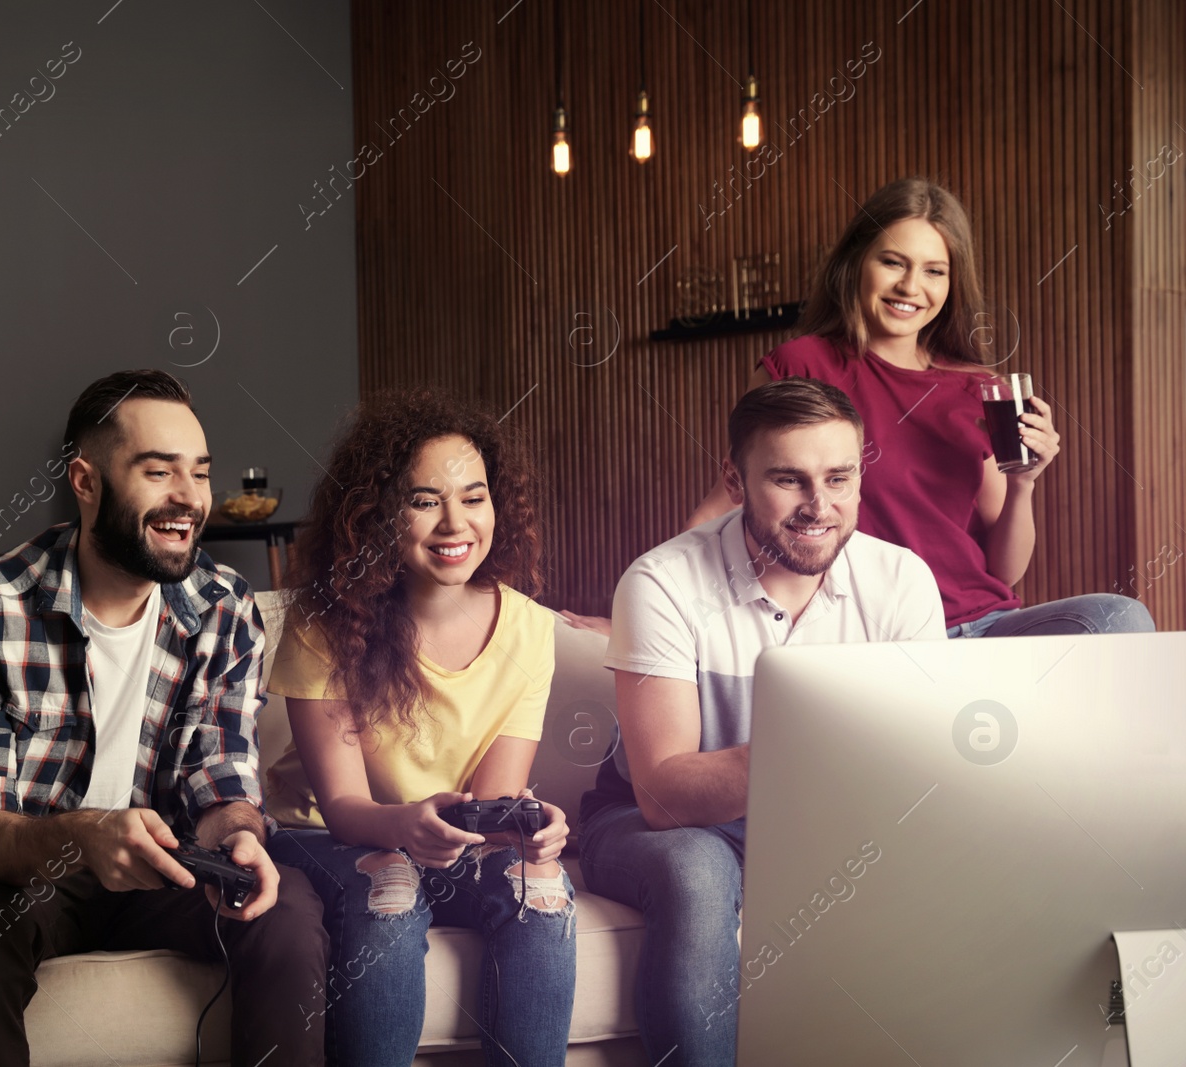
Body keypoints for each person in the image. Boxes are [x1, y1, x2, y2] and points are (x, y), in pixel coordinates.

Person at [0, 370, 326, 1067]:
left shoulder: (224, 607)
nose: (189, 497)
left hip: (166, 868)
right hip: (28, 872)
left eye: (199, 473)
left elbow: (218, 777)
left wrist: (242, 835)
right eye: (158, 471)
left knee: (285, 905)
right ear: (86, 480)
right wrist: (84, 835)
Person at [577, 377, 946, 1066]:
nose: (820, 506)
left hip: (822, 822)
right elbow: (661, 794)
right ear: (735, 478)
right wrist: (821, 745)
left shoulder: (901, 582)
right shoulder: (661, 583)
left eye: (839, 477)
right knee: (696, 870)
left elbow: (914, 769)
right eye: (789, 479)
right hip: (654, 822)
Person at [684, 177, 1153, 639]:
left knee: (1121, 618)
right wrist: (655, 607)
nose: (911, 286)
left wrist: (1023, 484)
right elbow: (727, 506)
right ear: (856, 263)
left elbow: (1003, 572)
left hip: (978, 624)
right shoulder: (800, 365)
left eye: (934, 270)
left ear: (952, 282)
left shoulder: (979, 389)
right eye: (893, 262)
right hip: (871, 632)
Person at [263, 391, 577, 1067]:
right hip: (323, 832)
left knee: (541, 886)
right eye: (424, 499)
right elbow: (346, 809)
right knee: (392, 886)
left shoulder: (529, 627)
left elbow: (488, 808)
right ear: (377, 513)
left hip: (446, 835)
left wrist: (532, 823)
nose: (455, 521)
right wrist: (406, 827)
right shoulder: (324, 622)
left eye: (474, 495)